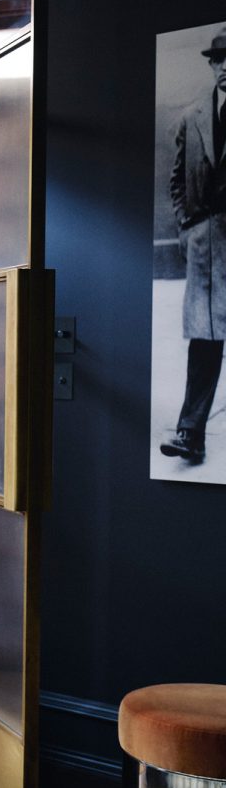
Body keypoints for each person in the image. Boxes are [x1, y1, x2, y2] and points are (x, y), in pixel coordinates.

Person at [161, 25, 226, 463]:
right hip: (207, 248)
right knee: (204, 342)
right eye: (221, 60)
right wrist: (187, 227)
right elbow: (176, 180)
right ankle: (190, 434)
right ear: (212, 64)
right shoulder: (191, 116)